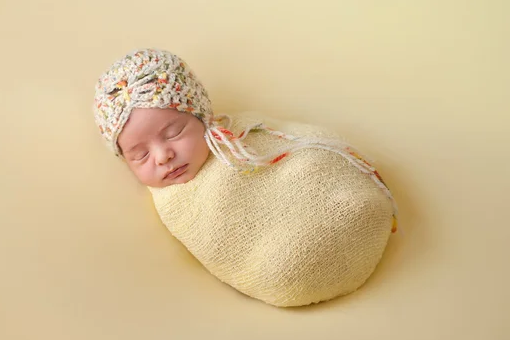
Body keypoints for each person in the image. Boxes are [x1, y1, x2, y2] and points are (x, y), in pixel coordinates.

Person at [93, 48, 397, 307]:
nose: (162, 156)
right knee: (282, 266)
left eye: (174, 133)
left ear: (202, 116)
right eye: (140, 155)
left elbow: (301, 142)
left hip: (341, 206)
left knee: (318, 176)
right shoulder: (175, 202)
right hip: (284, 264)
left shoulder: (238, 134)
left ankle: (355, 208)